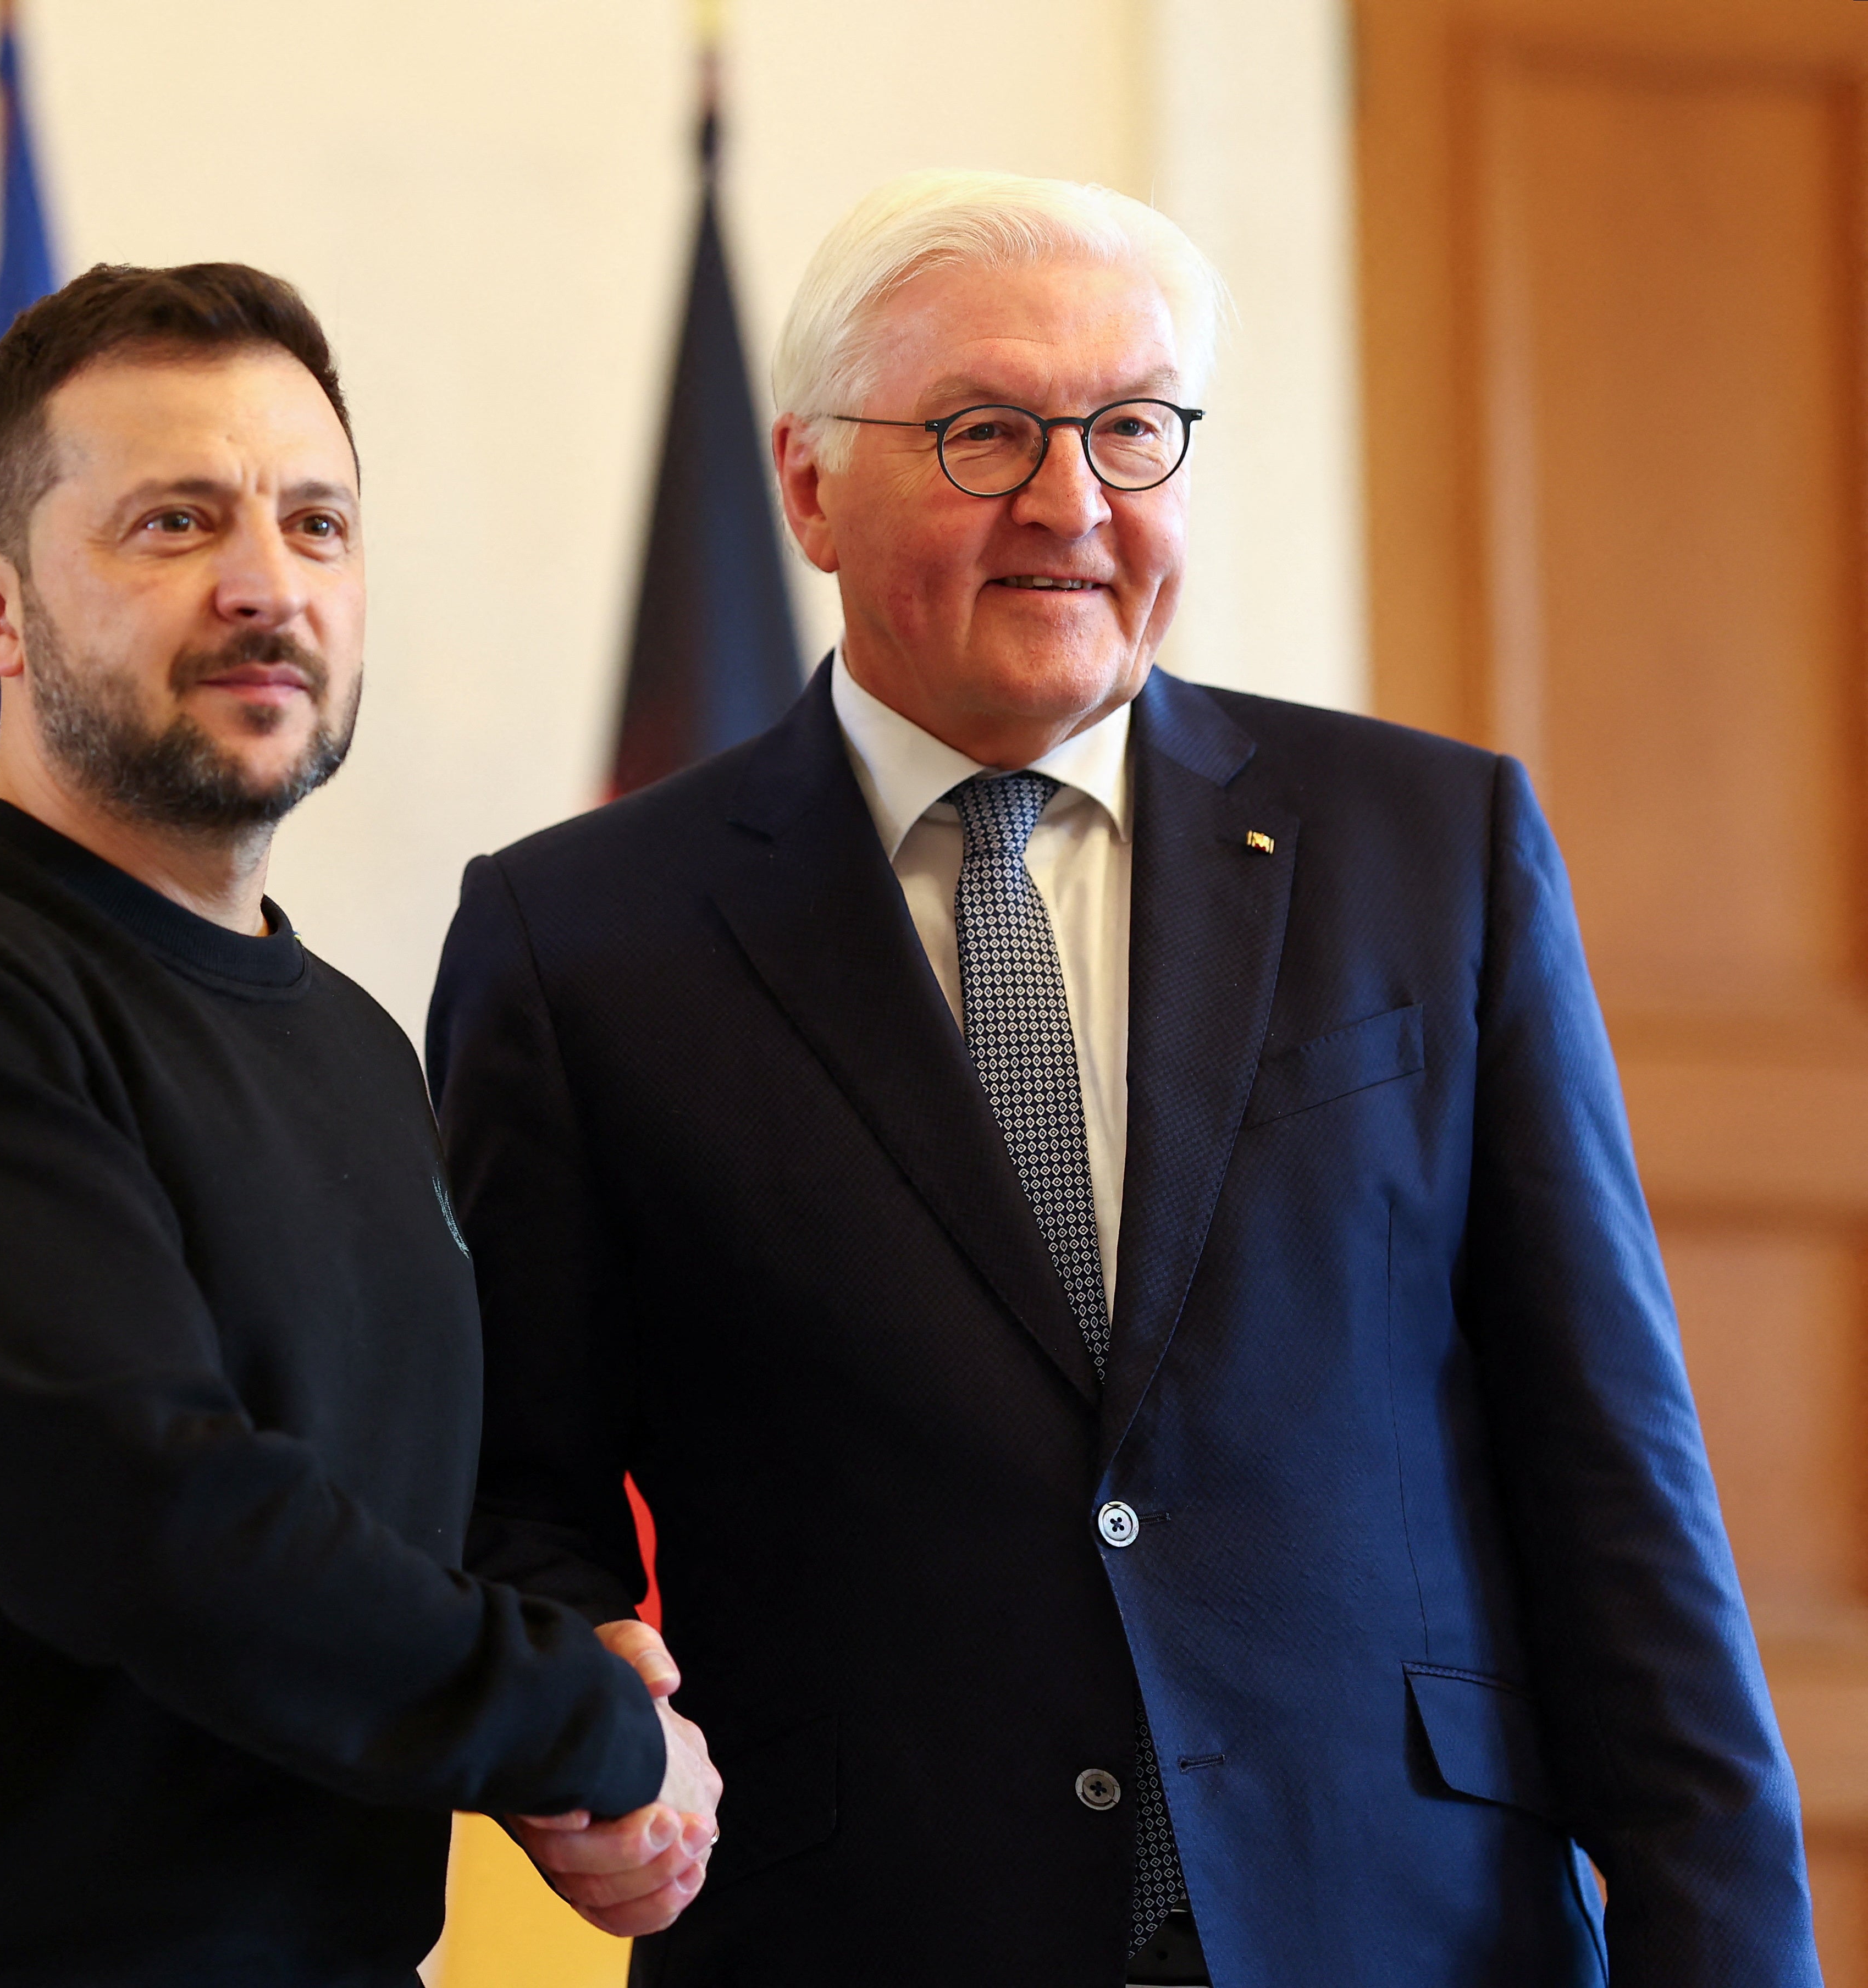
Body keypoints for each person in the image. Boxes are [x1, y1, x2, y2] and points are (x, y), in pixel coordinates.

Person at [426, 172, 1819, 1985]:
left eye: (1133, 431)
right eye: (988, 431)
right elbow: (503, 1486)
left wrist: (1731, 1945)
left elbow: (1614, 1462)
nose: (1071, 503)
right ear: (807, 486)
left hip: (1402, 1925)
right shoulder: (580, 936)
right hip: (866, 1930)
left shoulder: (1429, 846)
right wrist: (577, 1720)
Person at [0, 262, 717, 1988]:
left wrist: (573, 1664)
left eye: (317, 525)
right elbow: (149, 1521)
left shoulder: (357, 1043)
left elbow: (380, 1516)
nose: (265, 586)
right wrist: (574, 1729)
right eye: (175, 523)